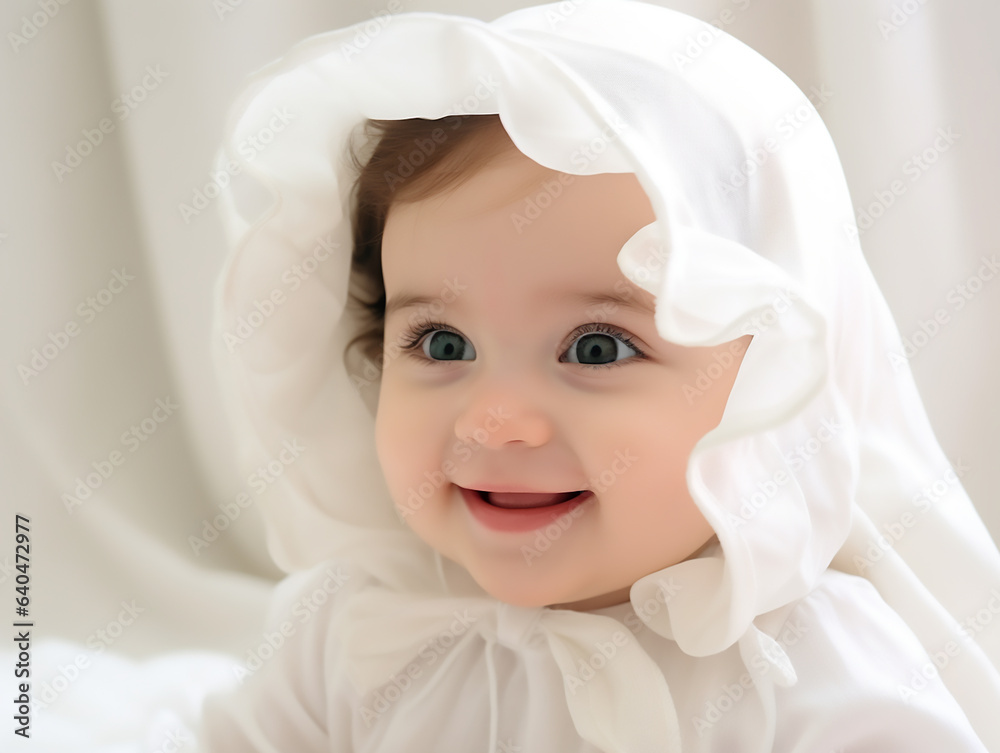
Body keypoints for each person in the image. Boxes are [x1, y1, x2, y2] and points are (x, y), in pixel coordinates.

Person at [198, 1, 1000, 750]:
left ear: (766, 390)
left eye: (597, 349)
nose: (494, 419)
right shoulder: (362, 626)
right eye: (442, 344)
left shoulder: (806, 663)